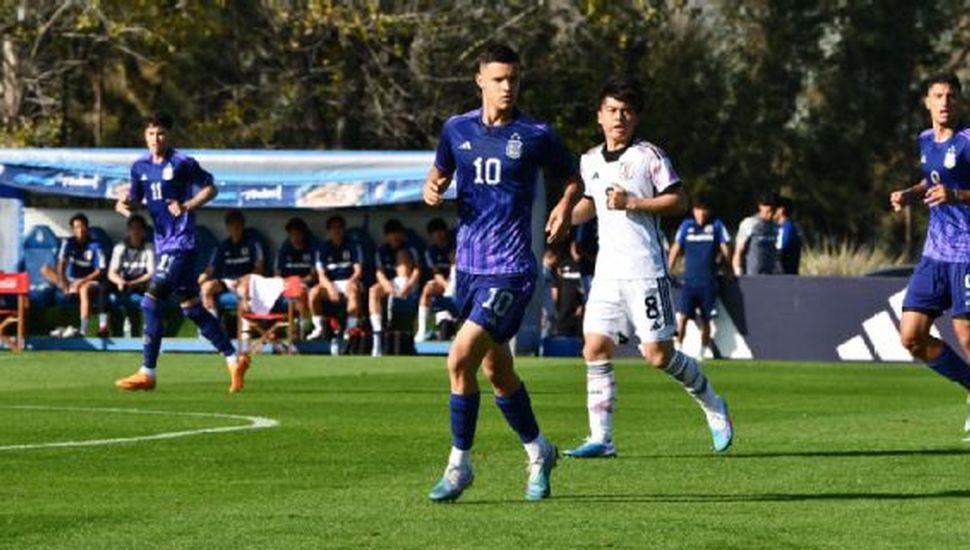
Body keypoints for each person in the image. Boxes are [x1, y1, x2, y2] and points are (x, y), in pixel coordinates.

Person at [423, 43, 581, 502]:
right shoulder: (456, 130)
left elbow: (574, 175)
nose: (507, 87)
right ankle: (539, 450)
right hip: (469, 268)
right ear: (480, 81)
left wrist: (565, 205)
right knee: (496, 370)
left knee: (458, 358)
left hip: (511, 270)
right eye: (498, 79)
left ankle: (459, 466)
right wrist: (433, 189)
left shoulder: (535, 133)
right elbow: (437, 175)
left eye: (513, 79)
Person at [564, 76, 733, 459]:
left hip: (645, 269)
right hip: (607, 273)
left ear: (635, 118)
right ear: (599, 117)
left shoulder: (648, 156)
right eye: (611, 111)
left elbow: (679, 200)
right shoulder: (589, 160)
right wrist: (561, 217)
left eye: (626, 112)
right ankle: (601, 438)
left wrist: (634, 203)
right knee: (594, 346)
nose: (618, 117)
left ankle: (713, 404)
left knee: (657, 355)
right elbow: (591, 204)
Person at [113, 111, 250, 392]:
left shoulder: (182, 163)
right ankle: (234, 359)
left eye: (160, 133)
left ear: (169, 135)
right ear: (145, 135)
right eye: (151, 133)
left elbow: (211, 188)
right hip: (163, 242)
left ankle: (147, 372)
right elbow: (137, 201)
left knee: (150, 302)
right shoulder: (139, 166)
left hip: (182, 242)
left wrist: (188, 205)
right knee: (191, 307)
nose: (155, 138)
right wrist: (124, 204)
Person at [890, 72, 970, 434]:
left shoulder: (968, 141)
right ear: (927, 102)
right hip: (934, 254)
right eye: (938, 95)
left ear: (960, 102)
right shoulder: (925, 140)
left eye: (951, 96)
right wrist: (910, 193)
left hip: (967, 253)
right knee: (911, 337)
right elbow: (933, 181)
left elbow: (952, 189)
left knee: (966, 336)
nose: (944, 102)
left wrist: (957, 196)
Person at [668, 196, 733, 358]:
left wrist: (729, 268)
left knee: (706, 319)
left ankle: (703, 352)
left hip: (708, 281)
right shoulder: (686, 226)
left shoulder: (717, 225)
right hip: (689, 281)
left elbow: (725, 247)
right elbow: (676, 248)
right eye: (698, 210)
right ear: (693, 211)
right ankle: (678, 348)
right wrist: (669, 268)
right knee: (682, 317)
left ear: (709, 211)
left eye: (704, 210)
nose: (701, 213)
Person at [41, 213, 108, 338]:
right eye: (76, 227)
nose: (80, 230)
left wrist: (82, 281)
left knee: (84, 289)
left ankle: (83, 329)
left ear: (87, 228)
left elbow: (100, 271)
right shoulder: (68, 242)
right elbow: (61, 265)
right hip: (72, 281)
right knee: (45, 269)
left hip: (90, 280)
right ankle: (67, 293)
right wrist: (65, 283)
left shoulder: (96, 245)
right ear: (73, 229)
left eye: (82, 227)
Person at [368, 219, 421, 356]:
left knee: (401, 255)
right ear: (386, 236)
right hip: (390, 285)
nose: (395, 236)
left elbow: (417, 270)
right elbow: (379, 271)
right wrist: (386, 285)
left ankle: (396, 305)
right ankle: (377, 333)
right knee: (373, 290)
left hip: (408, 284)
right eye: (392, 233)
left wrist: (409, 284)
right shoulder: (381, 250)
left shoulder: (409, 248)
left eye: (398, 233)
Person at [198, 209, 264, 319]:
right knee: (206, 288)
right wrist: (203, 277)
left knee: (243, 290)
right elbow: (211, 269)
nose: (235, 228)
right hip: (228, 281)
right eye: (232, 225)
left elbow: (259, 269)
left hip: (246, 281)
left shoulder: (253, 244)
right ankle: (213, 328)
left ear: (243, 225)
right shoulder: (222, 247)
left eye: (238, 224)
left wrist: (245, 279)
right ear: (228, 227)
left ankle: (246, 331)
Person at [308, 215, 363, 345]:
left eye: (339, 227)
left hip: (348, 280)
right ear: (329, 231)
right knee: (313, 292)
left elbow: (358, 270)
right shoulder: (322, 249)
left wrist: (352, 281)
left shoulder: (353, 246)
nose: (336, 231)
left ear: (344, 229)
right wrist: (330, 288)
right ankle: (319, 328)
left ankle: (350, 329)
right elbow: (321, 275)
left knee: (353, 291)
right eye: (333, 228)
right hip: (330, 283)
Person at [107, 214, 155, 335]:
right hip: (124, 283)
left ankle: (148, 330)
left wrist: (134, 283)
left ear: (144, 231)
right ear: (128, 231)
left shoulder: (149, 247)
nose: (135, 231)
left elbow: (151, 273)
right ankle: (115, 333)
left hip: (141, 283)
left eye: (139, 228)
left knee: (155, 288)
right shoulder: (120, 247)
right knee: (108, 291)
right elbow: (111, 273)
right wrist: (120, 281)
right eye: (133, 228)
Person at [275, 217, 317, 336]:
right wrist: (290, 282)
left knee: (300, 291)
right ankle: (298, 326)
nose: (295, 237)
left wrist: (298, 281)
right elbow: (277, 276)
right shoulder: (283, 250)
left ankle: (302, 327)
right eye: (292, 234)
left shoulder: (312, 249)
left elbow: (313, 276)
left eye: (298, 234)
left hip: (306, 285)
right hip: (286, 286)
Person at [416, 217, 456, 342]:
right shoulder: (430, 252)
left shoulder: (454, 247)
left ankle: (446, 324)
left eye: (440, 231)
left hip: (459, 283)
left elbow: (456, 268)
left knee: (455, 281)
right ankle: (422, 331)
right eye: (434, 232)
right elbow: (436, 273)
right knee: (428, 289)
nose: (438, 235)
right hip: (444, 284)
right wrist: (446, 286)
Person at [732, 193, 779, 275]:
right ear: (760, 207)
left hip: (771, 276)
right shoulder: (749, 223)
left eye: (773, 211)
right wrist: (738, 274)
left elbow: (776, 252)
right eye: (768, 211)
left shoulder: (775, 226)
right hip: (753, 276)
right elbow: (738, 252)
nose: (770, 214)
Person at [774, 196, 802, 275]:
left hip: (784, 277)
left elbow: (780, 253)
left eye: (774, 208)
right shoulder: (792, 226)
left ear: (781, 210)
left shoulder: (786, 229)